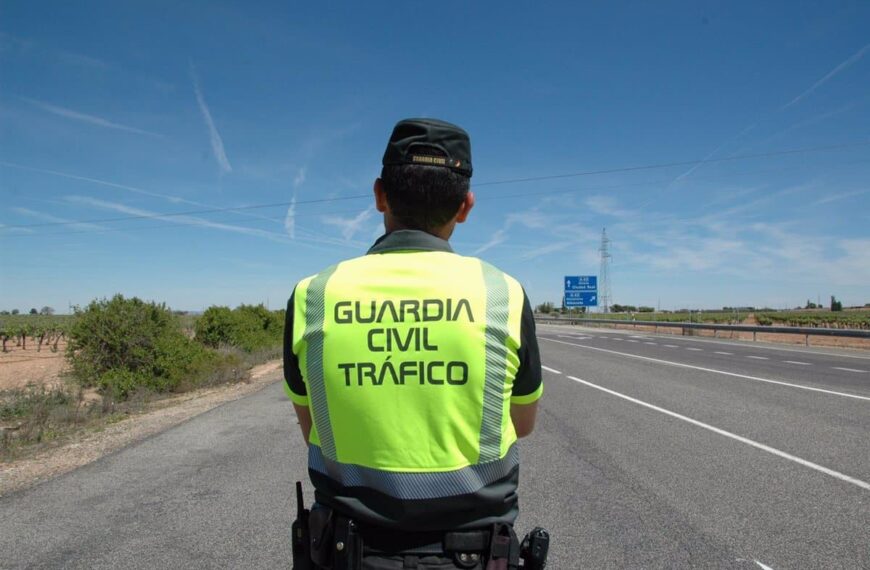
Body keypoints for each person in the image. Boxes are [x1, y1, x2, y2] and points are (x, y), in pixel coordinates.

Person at [283, 118, 543, 569]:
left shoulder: (314, 295)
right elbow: (522, 423)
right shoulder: (502, 293)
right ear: (465, 205)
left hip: (346, 551)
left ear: (379, 194)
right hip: (474, 553)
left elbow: (313, 431)